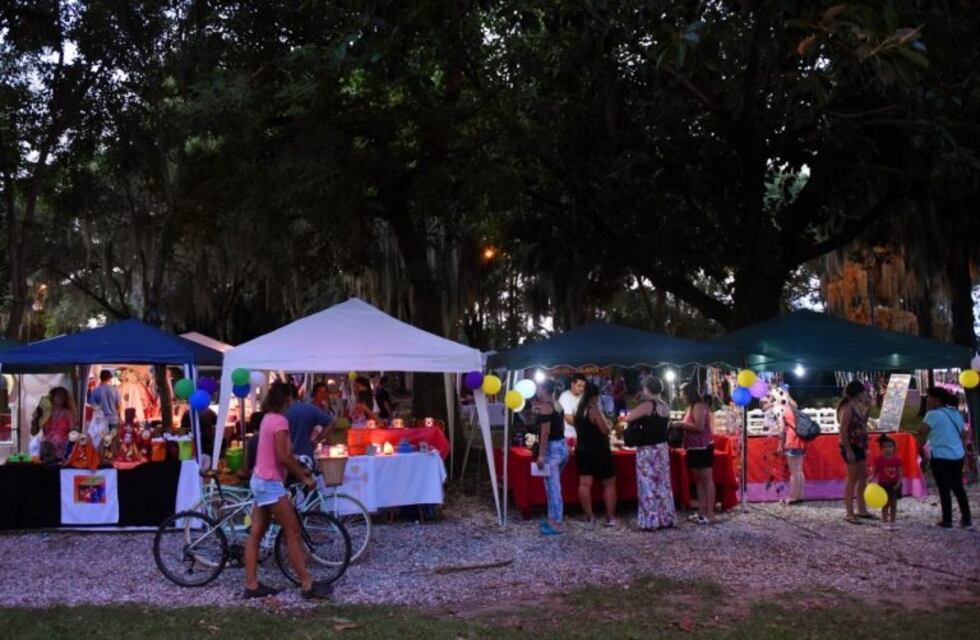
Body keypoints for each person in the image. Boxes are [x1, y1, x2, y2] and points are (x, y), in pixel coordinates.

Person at [243, 381, 331, 599]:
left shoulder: (267, 418)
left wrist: (297, 468)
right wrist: (303, 476)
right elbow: (283, 456)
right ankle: (307, 584)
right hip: (270, 483)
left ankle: (251, 585)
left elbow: (280, 455)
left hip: (259, 480)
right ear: (287, 399)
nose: (293, 404)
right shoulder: (280, 421)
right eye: (292, 400)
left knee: (256, 533)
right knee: (292, 532)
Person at [919, 387, 972, 530]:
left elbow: (922, 431)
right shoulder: (954, 412)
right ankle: (966, 519)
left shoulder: (932, 414)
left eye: (929, 397)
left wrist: (927, 412)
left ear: (936, 399)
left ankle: (947, 520)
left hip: (940, 456)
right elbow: (963, 433)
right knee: (958, 487)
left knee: (944, 489)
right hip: (957, 455)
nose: (927, 400)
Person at [626, 376, 674, 530]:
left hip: (648, 449)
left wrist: (639, 402)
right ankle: (665, 517)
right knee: (663, 484)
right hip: (662, 448)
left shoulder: (648, 405)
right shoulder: (665, 405)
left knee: (647, 483)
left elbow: (629, 418)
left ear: (647, 389)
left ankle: (651, 520)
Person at [575, 383, 617, 526]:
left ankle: (589, 517)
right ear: (595, 396)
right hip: (599, 450)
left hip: (582, 449)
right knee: (609, 483)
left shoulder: (578, 409)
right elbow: (604, 430)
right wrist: (608, 424)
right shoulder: (593, 409)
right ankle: (610, 517)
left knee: (584, 484)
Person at [674, 382, 715, 525]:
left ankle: (710, 513)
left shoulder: (699, 406)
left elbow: (699, 426)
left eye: (682, 394)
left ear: (688, 393)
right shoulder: (690, 407)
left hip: (703, 447)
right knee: (698, 480)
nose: (681, 397)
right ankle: (701, 511)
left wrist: (681, 424)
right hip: (693, 448)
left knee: (706, 479)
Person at [533, 380, 568, 535]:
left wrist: (541, 455)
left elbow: (545, 433)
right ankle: (552, 517)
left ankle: (556, 522)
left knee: (553, 487)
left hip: (552, 450)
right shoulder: (556, 404)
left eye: (539, 388)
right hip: (562, 446)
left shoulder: (546, 408)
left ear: (543, 389)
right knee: (552, 485)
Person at [838, 380, 874, 524]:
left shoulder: (858, 407)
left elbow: (862, 424)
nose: (866, 394)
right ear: (857, 393)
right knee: (852, 478)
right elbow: (843, 430)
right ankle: (849, 512)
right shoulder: (847, 408)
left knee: (863, 476)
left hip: (860, 444)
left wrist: (868, 409)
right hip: (851, 445)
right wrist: (848, 450)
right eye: (864, 392)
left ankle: (862, 509)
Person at [285, 384, 335, 459]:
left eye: (325, 392)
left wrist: (321, 439)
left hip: (320, 446)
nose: (323, 394)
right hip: (307, 447)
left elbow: (331, 423)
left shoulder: (326, 409)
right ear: (314, 393)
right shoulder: (309, 408)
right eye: (320, 392)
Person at [773, 389, 805, 505]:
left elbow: (781, 429)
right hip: (800, 439)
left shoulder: (780, 410)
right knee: (799, 470)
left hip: (792, 440)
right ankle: (800, 495)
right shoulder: (793, 408)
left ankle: (792, 497)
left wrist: (779, 444)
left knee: (794, 471)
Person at [871, 435, 902, 529]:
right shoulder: (878, 460)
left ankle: (893, 522)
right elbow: (875, 472)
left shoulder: (897, 460)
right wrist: (871, 478)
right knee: (885, 504)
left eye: (890, 446)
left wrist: (898, 483)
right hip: (883, 485)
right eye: (885, 447)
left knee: (894, 504)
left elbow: (900, 473)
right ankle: (884, 522)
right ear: (881, 449)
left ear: (894, 448)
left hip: (894, 485)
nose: (888, 449)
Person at [43, 387, 76, 459]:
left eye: (63, 395)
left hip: (63, 441)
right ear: (53, 397)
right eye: (58, 395)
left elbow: (73, 431)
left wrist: (67, 439)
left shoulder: (68, 413)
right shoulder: (47, 412)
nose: (61, 397)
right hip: (48, 440)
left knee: (56, 439)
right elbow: (43, 429)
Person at [558, 373, 587, 439]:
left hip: (582, 436)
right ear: (572, 384)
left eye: (583, 386)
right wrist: (587, 426)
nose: (581, 389)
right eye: (579, 386)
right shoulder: (565, 396)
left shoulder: (584, 396)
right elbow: (569, 418)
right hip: (569, 436)